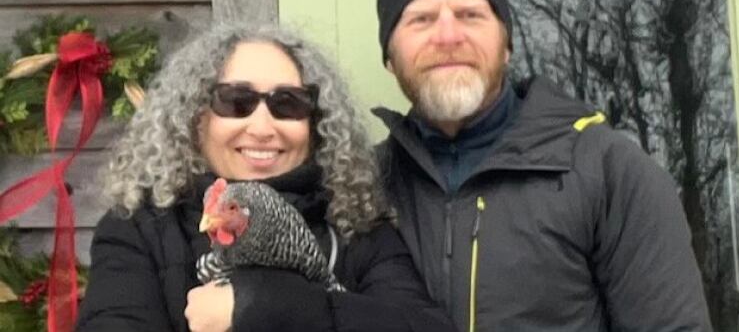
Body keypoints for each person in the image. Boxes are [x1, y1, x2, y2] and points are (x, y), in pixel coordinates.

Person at [372, 0, 713, 332]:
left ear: (507, 44)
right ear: (390, 57)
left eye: (470, 15)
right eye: (421, 19)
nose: (448, 36)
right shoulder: (365, 186)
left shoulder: (607, 170)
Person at [76, 24, 456, 332]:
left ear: (315, 123)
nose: (262, 127)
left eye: (287, 104)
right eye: (236, 102)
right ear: (195, 118)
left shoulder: (356, 226)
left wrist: (265, 305)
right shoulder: (141, 230)